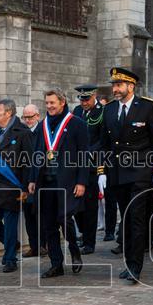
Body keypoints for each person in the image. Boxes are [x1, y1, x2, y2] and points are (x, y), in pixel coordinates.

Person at [96, 67, 153, 283]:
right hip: (116, 174)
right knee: (125, 219)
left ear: (131, 86)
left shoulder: (146, 107)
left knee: (136, 219)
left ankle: (136, 266)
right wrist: (102, 171)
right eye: (114, 85)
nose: (115, 89)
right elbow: (104, 145)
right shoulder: (108, 110)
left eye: (119, 85)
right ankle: (129, 262)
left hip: (140, 172)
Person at [28, 89, 89, 278]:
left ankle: (75, 251)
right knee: (48, 225)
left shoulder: (77, 124)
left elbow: (84, 155)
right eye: (46, 103)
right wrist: (31, 179)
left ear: (62, 102)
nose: (49, 106)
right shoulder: (42, 126)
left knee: (65, 219)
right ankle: (56, 264)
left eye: (52, 103)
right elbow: (36, 154)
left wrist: (82, 182)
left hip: (67, 182)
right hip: (45, 183)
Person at [0, 99, 33, 272]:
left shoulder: (22, 132)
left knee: (10, 224)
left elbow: (29, 162)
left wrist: (25, 187)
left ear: (8, 113)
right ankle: (13, 245)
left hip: (13, 184)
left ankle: (10, 259)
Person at [71, 85, 104, 254]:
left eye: (86, 99)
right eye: (81, 99)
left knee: (90, 206)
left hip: (92, 165)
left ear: (94, 96)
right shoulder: (76, 111)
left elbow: (103, 138)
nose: (83, 102)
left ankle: (90, 242)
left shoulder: (102, 112)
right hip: (76, 165)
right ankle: (84, 233)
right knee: (77, 205)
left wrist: (89, 152)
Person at [19, 104, 45, 259]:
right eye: (25, 117)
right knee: (28, 215)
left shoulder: (43, 131)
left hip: (40, 181)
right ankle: (34, 246)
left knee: (40, 214)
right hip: (23, 181)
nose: (27, 120)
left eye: (30, 117)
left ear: (37, 116)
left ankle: (43, 245)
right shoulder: (22, 133)